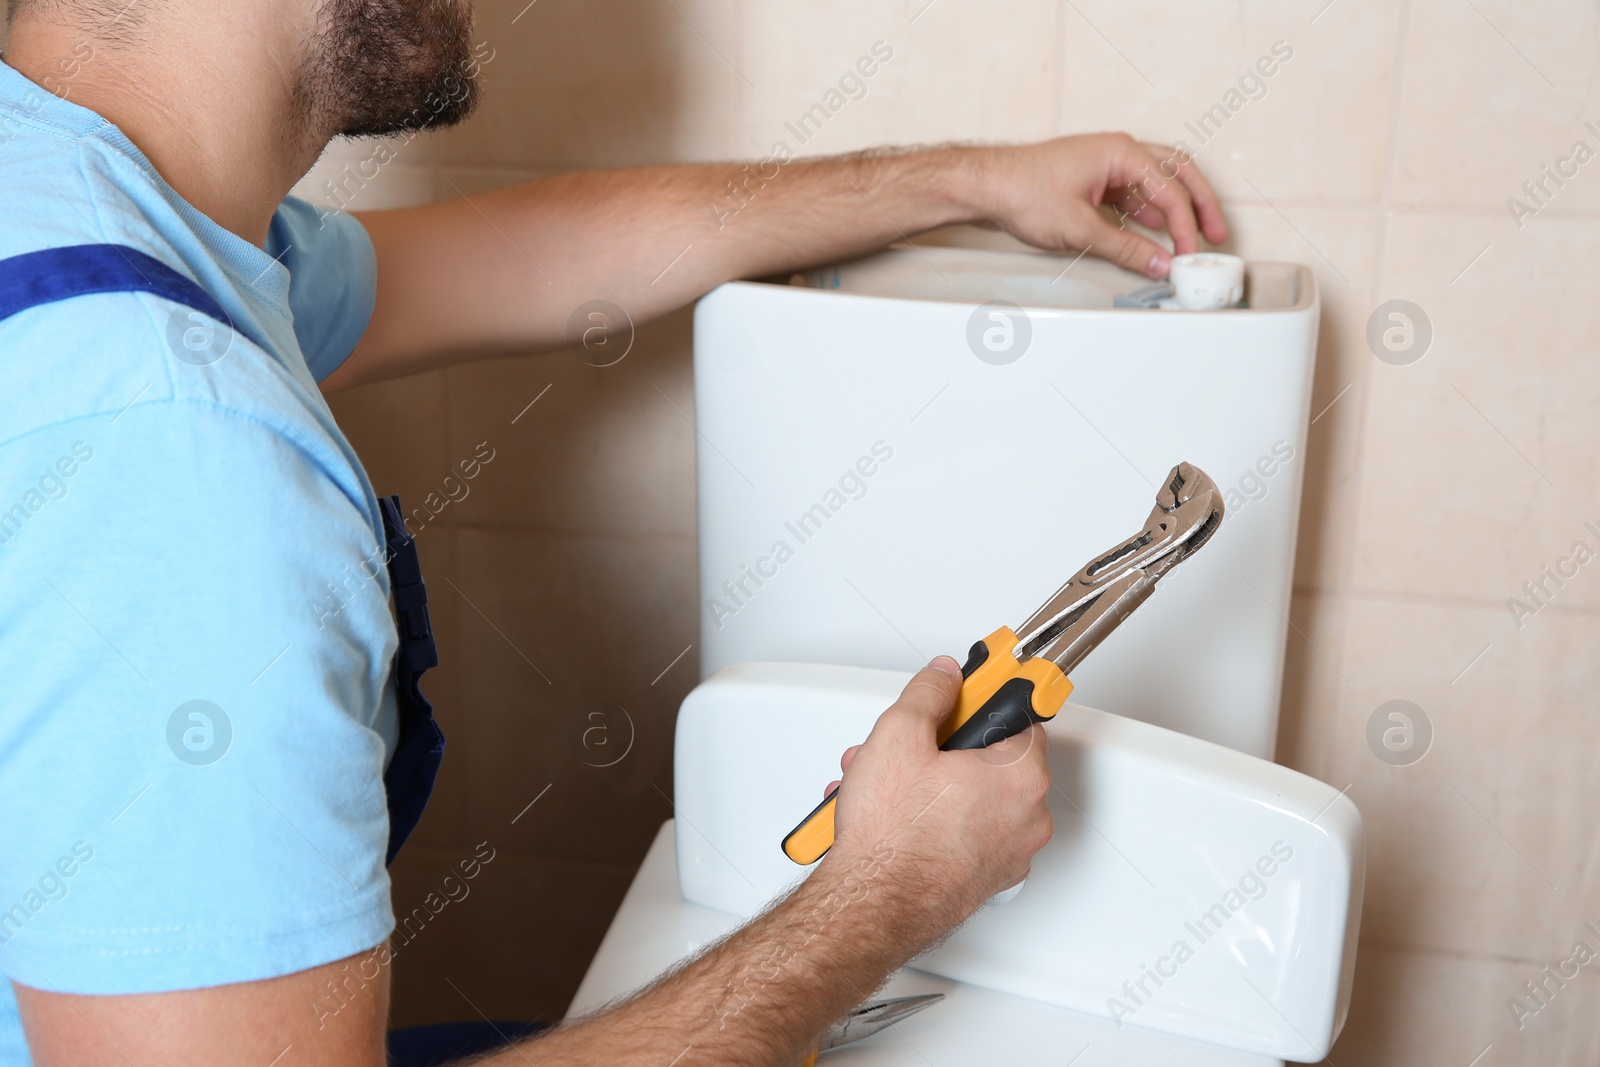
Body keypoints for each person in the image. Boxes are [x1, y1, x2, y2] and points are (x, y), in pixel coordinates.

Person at [0, 1, 1228, 1063]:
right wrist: (884, 895)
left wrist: (967, 179)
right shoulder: (182, 462)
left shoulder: (77, 202)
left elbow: (540, 256)